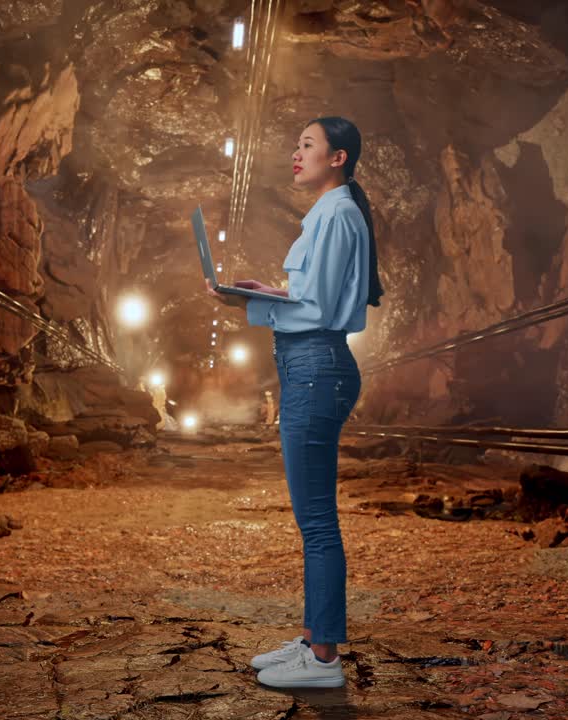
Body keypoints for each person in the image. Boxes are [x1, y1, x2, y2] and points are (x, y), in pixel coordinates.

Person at [206, 116, 384, 689]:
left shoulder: (336, 215)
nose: (295, 153)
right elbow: (313, 297)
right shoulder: (330, 214)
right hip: (310, 367)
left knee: (318, 523)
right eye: (296, 143)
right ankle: (314, 638)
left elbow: (321, 312)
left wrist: (249, 305)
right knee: (313, 520)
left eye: (307, 144)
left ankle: (325, 660)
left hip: (316, 367)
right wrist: (266, 292)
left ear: (337, 158)